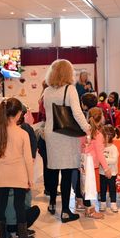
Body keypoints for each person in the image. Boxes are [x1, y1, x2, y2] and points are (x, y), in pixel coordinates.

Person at [44, 59, 91, 223]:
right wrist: (88, 128)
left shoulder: (47, 91)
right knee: (65, 172)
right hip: (65, 133)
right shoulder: (70, 89)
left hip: (50, 132)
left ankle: (51, 204)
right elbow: (77, 114)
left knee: (52, 169)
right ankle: (65, 211)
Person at [0, 98, 34, 238]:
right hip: (20, 175)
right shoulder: (23, 134)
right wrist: (30, 178)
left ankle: (2, 236)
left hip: (3, 174)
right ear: (17, 114)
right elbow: (28, 159)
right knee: (19, 205)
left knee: (1, 204)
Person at [79, 107, 112, 219]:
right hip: (91, 164)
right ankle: (90, 211)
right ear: (101, 118)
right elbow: (100, 153)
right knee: (88, 188)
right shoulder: (98, 134)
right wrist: (107, 169)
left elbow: (81, 146)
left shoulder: (85, 131)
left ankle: (86, 207)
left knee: (84, 186)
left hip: (83, 162)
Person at [99, 124, 120, 213]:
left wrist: (102, 160)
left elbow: (114, 160)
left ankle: (113, 203)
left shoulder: (113, 148)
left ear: (107, 136)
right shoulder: (101, 146)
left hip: (112, 173)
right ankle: (103, 203)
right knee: (102, 188)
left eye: (102, 135)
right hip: (102, 172)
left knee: (112, 189)